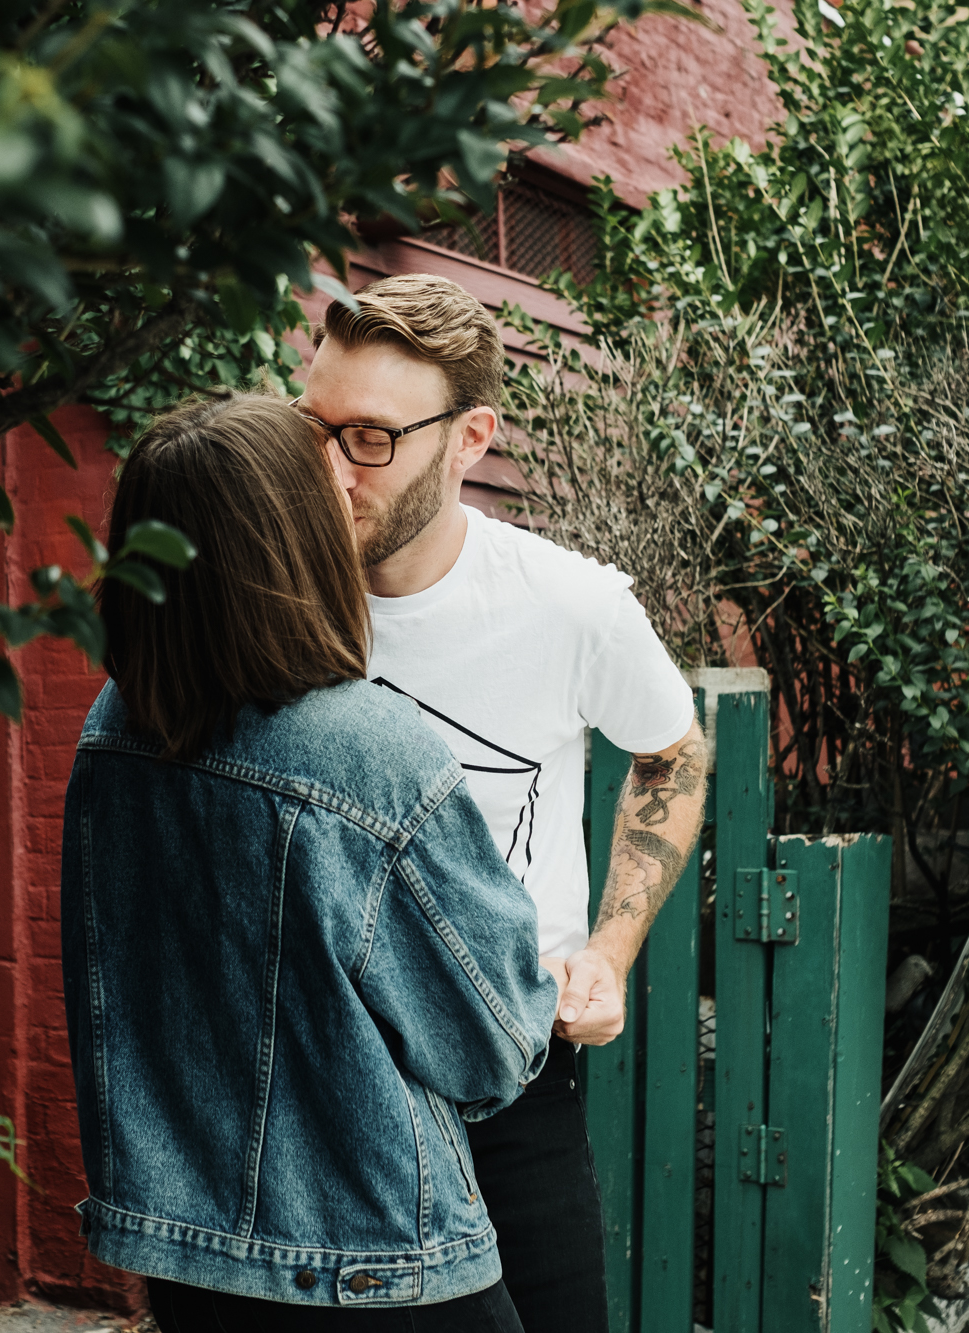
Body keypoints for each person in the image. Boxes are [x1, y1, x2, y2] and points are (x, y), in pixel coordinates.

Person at [61, 391, 560, 1332]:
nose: (355, 504)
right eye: (335, 490)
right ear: (284, 539)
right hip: (373, 1270)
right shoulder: (365, 749)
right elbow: (490, 1046)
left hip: (189, 1261)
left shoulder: (112, 728)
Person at [293, 273, 709, 1333]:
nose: (332, 471)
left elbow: (670, 756)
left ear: (468, 437)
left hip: (504, 1073)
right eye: (315, 429)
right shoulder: (267, 602)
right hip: (308, 1073)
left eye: (372, 439)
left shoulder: (566, 605)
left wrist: (610, 952)